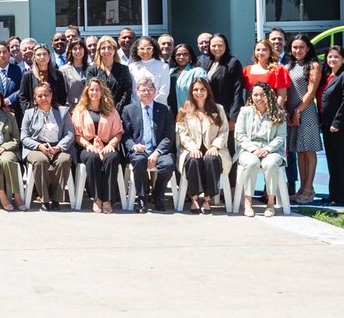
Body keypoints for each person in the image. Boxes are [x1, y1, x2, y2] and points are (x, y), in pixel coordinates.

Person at [120, 77, 176, 213]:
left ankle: (158, 195)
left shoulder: (165, 109)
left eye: (150, 89)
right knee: (139, 160)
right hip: (139, 150)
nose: (147, 92)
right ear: (137, 92)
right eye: (143, 90)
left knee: (168, 164)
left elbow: (169, 136)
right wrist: (134, 146)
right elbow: (125, 135)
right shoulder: (129, 110)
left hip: (159, 150)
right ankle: (142, 197)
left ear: (155, 91)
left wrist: (157, 153)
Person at [175, 77, 229, 215]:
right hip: (190, 149)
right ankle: (194, 198)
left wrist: (215, 147)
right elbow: (182, 134)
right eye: (195, 90)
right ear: (191, 92)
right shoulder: (184, 110)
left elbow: (224, 131)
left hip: (214, 149)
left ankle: (206, 199)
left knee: (211, 159)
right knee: (193, 160)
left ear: (207, 91)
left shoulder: (218, 109)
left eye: (202, 89)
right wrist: (192, 147)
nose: (199, 92)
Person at [71, 77, 123, 214]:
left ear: (102, 92)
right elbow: (76, 134)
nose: (95, 92)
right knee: (92, 158)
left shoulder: (111, 110)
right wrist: (87, 145)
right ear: (87, 91)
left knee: (111, 158)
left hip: (107, 144)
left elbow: (118, 132)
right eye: (92, 89)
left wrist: (111, 144)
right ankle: (97, 198)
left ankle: (108, 199)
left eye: (98, 89)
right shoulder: (79, 110)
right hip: (86, 145)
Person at [235, 83, 287, 217]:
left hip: (271, 149)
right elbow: (240, 135)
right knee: (251, 163)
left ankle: (270, 203)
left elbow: (281, 137)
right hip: (249, 149)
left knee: (270, 164)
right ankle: (248, 202)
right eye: (255, 95)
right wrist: (253, 149)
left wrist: (268, 149)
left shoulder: (278, 112)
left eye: (262, 94)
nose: (259, 98)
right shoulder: (245, 112)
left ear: (269, 95)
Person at [20, 83, 73, 210]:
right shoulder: (29, 113)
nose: (43, 98)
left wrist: (59, 147)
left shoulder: (63, 112)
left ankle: (56, 199)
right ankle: (44, 199)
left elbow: (70, 134)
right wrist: (39, 146)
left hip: (58, 146)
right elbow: (24, 137)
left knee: (64, 160)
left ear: (51, 96)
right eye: (40, 96)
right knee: (40, 161)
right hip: (36, 147)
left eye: (46, 95)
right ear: (35, 99)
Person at [285, 33, 323, 204]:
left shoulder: (313, 65)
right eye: (294, 47)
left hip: (305, 112)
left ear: (308, 48)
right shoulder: (289, 66)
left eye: (301, 47)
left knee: (309, 150)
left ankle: (309, 188)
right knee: (300, 151)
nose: (297, 50)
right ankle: (301, 188)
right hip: (292, 112)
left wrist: (299, 111)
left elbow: (311, 91)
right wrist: (289, 111)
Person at [319, 45, 344, 206]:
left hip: (341, 126)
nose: (332, 60)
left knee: (343, 161)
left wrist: (338, 122)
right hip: (327, 126)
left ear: (343, 59)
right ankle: (334, 193)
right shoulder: (328, 76)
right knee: (332, 161)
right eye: (330, 57)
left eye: (336, 57)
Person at [206, 34, 246, 124]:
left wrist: (233, 117)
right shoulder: (207, 62)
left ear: (226, 46)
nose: (217, 48)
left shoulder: (233, 63)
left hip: (227, 111)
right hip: (211, 110)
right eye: (213, 46)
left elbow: (237, 91)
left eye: (220, 45)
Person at [244, 38, 292, 112]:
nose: (261, 52)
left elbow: (282, 96)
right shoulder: (247, 70)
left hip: (272, 112)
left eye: (264, 49)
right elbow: (248, 96)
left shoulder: (277, 70)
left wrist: (274, 113)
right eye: (258, 49)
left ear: (270, 52)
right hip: (253, 112)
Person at [86, 35, 133, 110]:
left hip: (120, 112)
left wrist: (116, 111)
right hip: (98, 111)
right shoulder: (92, 70)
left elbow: (127, 93)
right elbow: (90, 92)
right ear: (99, 51)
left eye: (109, 47)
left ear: (114, 50)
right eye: (103, 48)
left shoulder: (123, 69)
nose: (106, 51)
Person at [128, 36, 172, 106]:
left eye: (149, 48)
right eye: (142, 49)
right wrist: (138, 106)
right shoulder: (131, 67)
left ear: (153, 50)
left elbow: (164, 92)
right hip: (137, 107)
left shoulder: (163, 67)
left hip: (158, 107)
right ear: (137, 51)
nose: (145, 51)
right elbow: (131, 91)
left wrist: (151, 105)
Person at [169, 43, 207, 113]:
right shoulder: (170, 72)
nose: (181, 57)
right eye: (178, 55)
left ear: (190, 56)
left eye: (185, 54)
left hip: (190, 112)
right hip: (171, 112)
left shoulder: (198, 72)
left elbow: (202, 94)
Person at [59, 39, 89, 110]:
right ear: (70, 51)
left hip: (89, 108)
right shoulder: (63, 70)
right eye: (75, 49)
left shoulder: (91, 68)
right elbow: (63, 94)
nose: (78, 51)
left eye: (80, 48)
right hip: (72, 109)